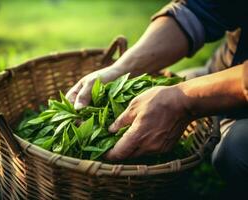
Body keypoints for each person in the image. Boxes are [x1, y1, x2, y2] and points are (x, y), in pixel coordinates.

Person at [66, 0, 248, 194]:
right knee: (179, 82)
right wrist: (120, 70)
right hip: (231, 63)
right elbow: (199, 9)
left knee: (233, 150)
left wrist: (182, 101)